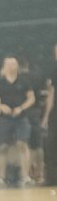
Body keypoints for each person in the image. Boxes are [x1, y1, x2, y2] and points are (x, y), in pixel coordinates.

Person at [0, 56, 35, 187]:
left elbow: (31, 98)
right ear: (4, 66)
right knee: (3, 147)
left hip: (21, 118)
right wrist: (1, 106)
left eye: (14, 64)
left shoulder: (24, 81)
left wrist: (21, 108)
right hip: (5, 118)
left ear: (17, 66)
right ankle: (1, 177)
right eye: (9, 64)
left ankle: (26, 176)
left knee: (23, 144)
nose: (11, 66)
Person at [44, 42, 57, 186]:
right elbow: (51, 94)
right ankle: (52, 178)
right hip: (56, 113)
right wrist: (47, 115)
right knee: (52, 144)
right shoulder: (54, 71)